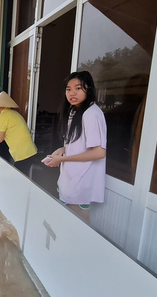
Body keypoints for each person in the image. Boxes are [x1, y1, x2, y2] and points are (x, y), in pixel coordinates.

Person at [42, 71, 107, 223]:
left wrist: (63, 159)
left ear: (88, 89)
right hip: (72, 178)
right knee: (70, 223)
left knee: (77, 226)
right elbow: (81, 143)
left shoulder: (90, 114)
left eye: (78, 88)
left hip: (81, 181)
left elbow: (99, 152)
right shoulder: (77, 111)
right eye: (68, 89)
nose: (72, 93)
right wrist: (62, 150)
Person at [0, 92, 37, 175]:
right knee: (21, 178)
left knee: (18, 180)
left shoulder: (3, 116)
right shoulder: (13, 113)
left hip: (23, 154)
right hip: (29, 152)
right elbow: (3, 133)